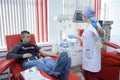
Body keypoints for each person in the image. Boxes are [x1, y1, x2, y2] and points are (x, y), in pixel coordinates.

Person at [6, 30, 71, 80]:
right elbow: (8, 55)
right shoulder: (18, 46)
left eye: (30, 37)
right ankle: (56, 73)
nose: (30, 38)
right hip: (28, 62)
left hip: (39, 59)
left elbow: (42, 52)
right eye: (27, 37)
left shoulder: (33, 45)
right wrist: (22, 56)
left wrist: (53, 54)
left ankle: (58, 72)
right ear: (23, 38)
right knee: (39, 62)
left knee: (48, 58)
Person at [68, 7, 105, 80]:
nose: (81, 17)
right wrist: (75, 37)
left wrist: (97, 27)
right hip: (88, 57)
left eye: (82, 16)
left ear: (86, 16)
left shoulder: (94, 24)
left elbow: (102, 35)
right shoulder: (88, 25)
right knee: (87, 75)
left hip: (92, 58)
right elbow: (84, 38)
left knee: (92, 77)